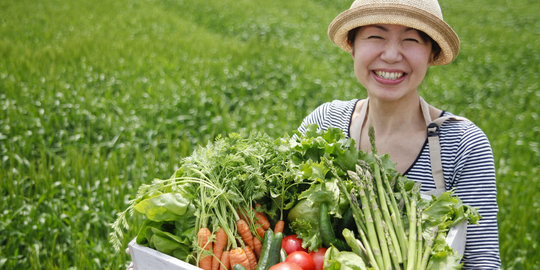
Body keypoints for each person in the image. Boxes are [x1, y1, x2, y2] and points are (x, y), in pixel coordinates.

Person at [297, 0, 501, 268]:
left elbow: (482, 262)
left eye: (411, 40)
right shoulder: (325, 123)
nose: (392, 55)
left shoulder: (463, 144)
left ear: (431, 53)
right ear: (353, 47)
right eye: (376, 36)